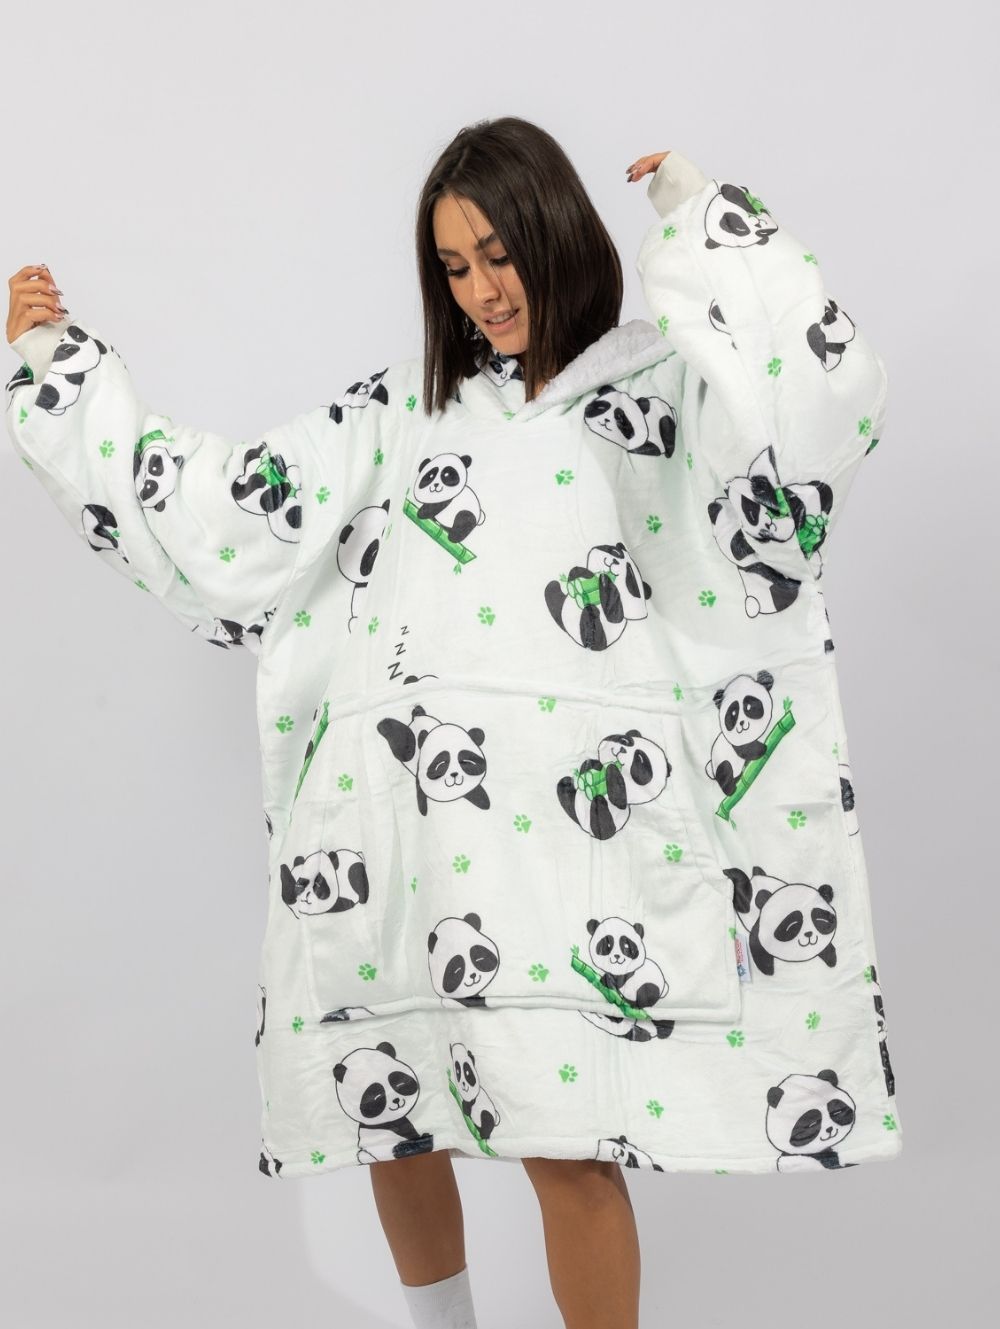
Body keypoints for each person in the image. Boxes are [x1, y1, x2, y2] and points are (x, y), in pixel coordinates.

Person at [4, 116, 902, 1329]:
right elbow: (217, 516)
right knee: (397, 1114)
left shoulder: (667, 400)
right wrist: (59, 372)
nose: (481, 291)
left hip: (586, 860)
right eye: (454, 266)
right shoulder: (398, 415)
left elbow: (808, 406)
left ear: (555, 232)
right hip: (416, 846)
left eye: (498, 254)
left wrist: (705, 227)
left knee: (569, 1148)